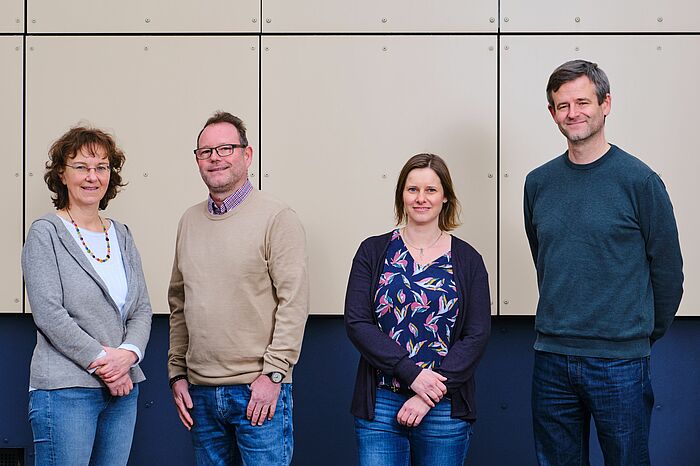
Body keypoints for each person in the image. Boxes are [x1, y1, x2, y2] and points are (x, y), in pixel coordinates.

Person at [524, 60, 684, 465]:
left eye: (583, 102)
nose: (573, 113)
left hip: (620, 362)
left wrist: (638, 335)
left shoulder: (640, 182)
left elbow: (668, 273)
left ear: (606, 104)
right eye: (562, 105)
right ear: (552, 113)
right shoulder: (537, 183)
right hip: (552, 357)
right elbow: (544, 257)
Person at [167, 111, 309, 465]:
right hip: (200, 393)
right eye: (206, 151)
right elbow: (179, 303)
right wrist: (177, 373)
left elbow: (294, 303)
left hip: (257, 390)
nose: (215, 157)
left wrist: (274, 375)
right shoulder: (188, 220)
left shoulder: (278, 218)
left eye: (226, 148)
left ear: (247, 155)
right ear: (198, 160)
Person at [344, 153, 491, 465]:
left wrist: (429, 393)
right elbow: (358, 323)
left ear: (446, 197)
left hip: (444, 406)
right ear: (401, 195)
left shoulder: (468, 259)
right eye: (412, 190)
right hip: (381, 403)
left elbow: (476, 336)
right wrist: (411, 375)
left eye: (431, 190)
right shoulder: (373, 251)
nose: (421, 198)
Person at [22, 126, 152, 466]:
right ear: (62, 175)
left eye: (102, 167)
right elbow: (49, 314)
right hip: (66, 392)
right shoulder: (45, 233)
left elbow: (141, 309)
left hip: (122, 393)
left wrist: (128, 356)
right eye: (81, 166)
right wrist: (108, 366)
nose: (92, 176)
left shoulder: (122, 235)